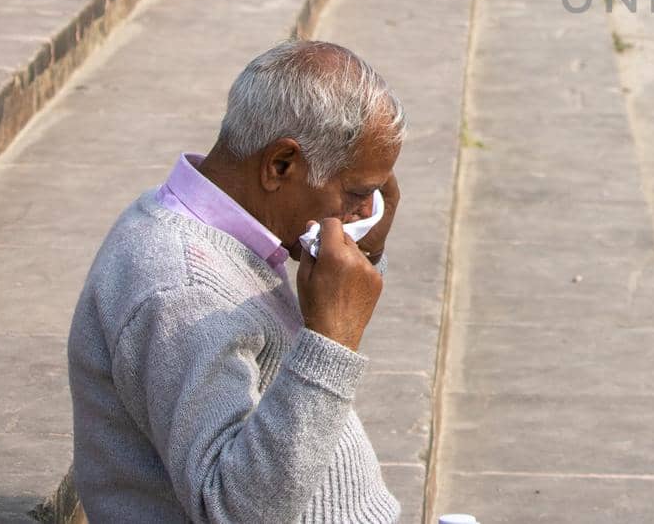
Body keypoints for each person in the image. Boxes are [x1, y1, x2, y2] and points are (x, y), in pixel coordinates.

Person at [67, 41, 404, 522]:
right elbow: (234, 509)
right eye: (357, 193)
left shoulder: (223, 234)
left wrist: (364, 254)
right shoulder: (182, 288)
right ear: (280, 165)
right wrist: (332, 341)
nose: (365, 212)